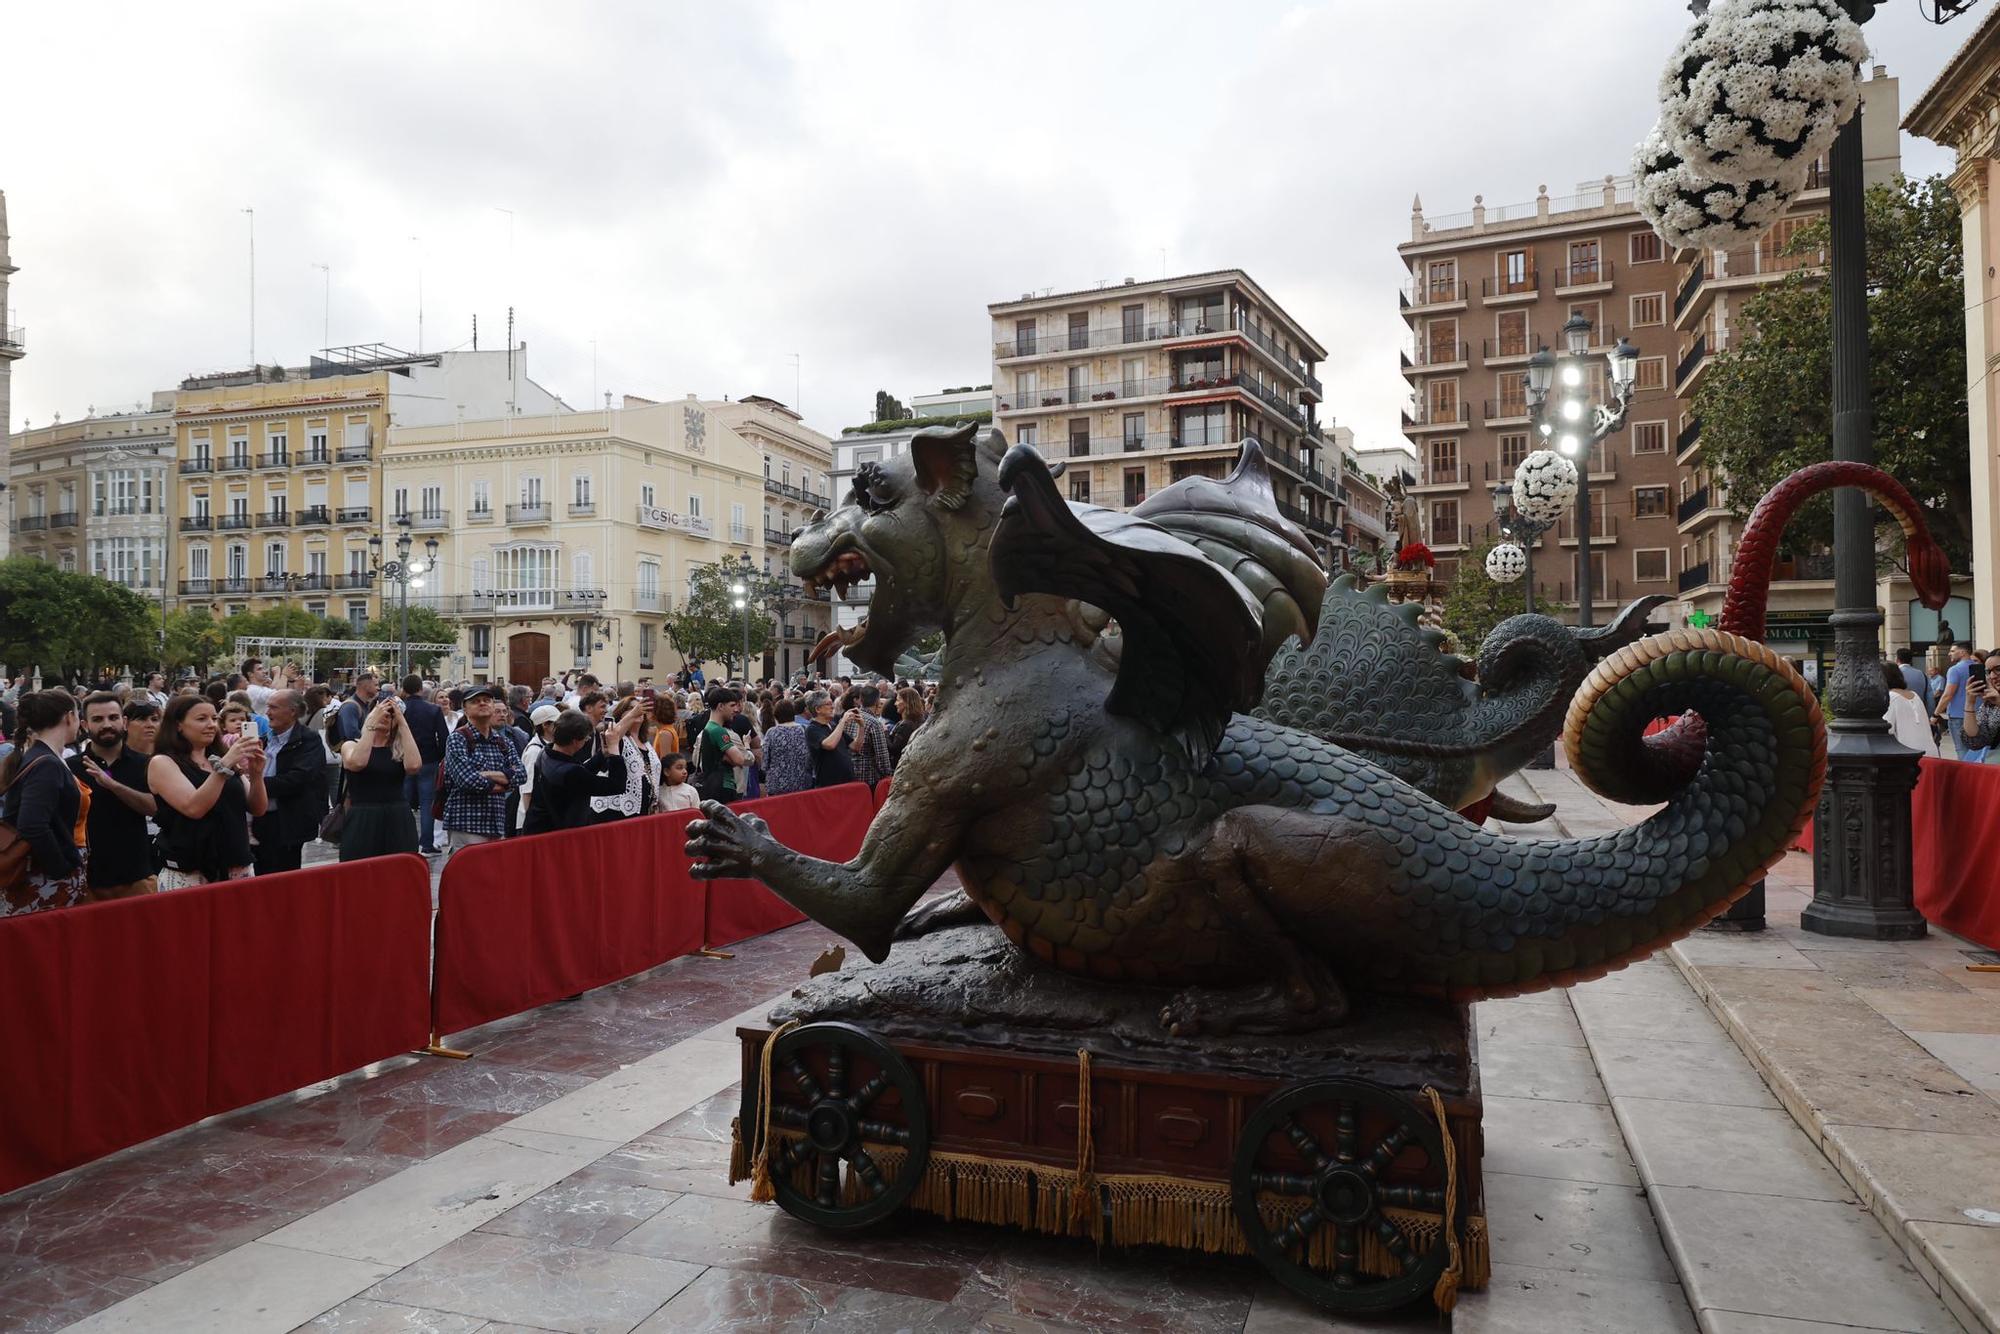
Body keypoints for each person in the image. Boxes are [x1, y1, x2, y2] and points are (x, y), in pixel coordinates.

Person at [149, 695, 266, 888]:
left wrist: (256, 774)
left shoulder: (222, 758)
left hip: (238, 867)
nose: (211, 725)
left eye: (213, 718)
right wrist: (224, 766)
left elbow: (258, 808)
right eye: (201, 719)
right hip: (190, 872)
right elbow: (194, 808)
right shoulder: (162, 762)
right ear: (178, 725)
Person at [1, 691, 87, 915]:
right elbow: (33, 824)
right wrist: (62, 868)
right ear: (69, 717)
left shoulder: (42, 757)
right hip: (42, 881)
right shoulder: (46, 764)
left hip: (42, 878)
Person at [68, 692, 158, 900]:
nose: (107, 724)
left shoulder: (145, 763)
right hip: (87, 881)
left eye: (113, 717)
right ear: (84, 724)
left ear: (124, 721)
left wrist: (113, 786)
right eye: (98, 719)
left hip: (137, 877)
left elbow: (155, 808)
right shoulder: (70, 767)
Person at [523, 707, 646, 833]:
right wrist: (614, 748)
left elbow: (581, 775)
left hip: (542, 828)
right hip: (557, 836)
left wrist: (603, 754)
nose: (587, 740)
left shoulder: (546, 753)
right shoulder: (570, 772)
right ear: (575, 741)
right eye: (586, 738)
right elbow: (616, 786)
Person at [252, 690, 330, 874]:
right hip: (259, 819)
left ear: (293, 711)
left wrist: (256, 785)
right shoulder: (264, 740)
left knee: (282, 876)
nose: (268, 712)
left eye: (274, 707)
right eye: (268, 707)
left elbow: (298, 779)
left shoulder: (307, 740)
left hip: (287, 821)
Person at [441, 685, 525, 852]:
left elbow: (521, 775)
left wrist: (486, 775)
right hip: (466, 823)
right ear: (465, 709)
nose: (482, 703)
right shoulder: (458, 739)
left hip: (496, 822)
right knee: (468, 876)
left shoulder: (503, 742)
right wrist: (505, 781)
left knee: (495, 877)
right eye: (475, 701)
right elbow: (468, 781)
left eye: (487, 700)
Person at [338, 696, 423, 861]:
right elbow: (357, 763)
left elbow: (414, 767)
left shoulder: (398, 749)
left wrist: (402, 722)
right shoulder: (350, 745)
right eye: (381, 711)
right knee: (360, 872)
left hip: (398, 817)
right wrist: (371, 724)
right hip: (363, 818)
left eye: (391, 714)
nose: (386, 716)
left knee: (398, 871)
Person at [398, 674, 451, 855]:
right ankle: (427, 844)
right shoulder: (433, 710)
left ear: (404, 689)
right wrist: (440, 756)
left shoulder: (400, 710)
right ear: (421, 689)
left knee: (403, 801)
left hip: (403, 759)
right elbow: (444, 737)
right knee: (427, 802)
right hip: (428, 759)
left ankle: (403, 841)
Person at [591, 696, 659, 822]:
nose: (638, 711)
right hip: (618, 810)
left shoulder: (646, 742)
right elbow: (613, 735)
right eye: (631, 709)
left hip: (643, 809)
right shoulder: (619, 738)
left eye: (639, 708)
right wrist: (633, 715)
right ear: (621, 715)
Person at [695, 686, 754, 804]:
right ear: (720, 706)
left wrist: (727, 758)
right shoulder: (718, 731)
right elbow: (740, 759)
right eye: (732, 705)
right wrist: (745, 746)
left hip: (714, 786)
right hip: (722, 787)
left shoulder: (709, 728)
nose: (736, 710)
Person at [517, 703, 563, 830]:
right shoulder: (534, 752)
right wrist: (532, 823)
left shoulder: (549, 746)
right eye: (557, 723)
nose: (562, 726)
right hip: (533, 823)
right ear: (545, 725)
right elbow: (528, 791)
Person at [801, 690, 859, 789]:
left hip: (847, 780)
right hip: (829, 784)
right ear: (818, 709)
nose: (832, 707)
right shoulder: (812, 729)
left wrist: (861, 727)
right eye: (828, 704)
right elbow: (830, 745)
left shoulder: (833, 725)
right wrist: (843, 722)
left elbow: (855, 746)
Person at [1881, 662, 1940, 758]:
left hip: (1906, 756)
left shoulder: (1890, 697)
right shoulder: (1914, 695)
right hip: (1929, 753)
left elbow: (1887, 729)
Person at [760, 699, 814, 796]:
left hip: (777, 784)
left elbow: (764, 761)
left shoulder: (772, 733)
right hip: (801, 783)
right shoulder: (805, 730)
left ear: (776, 714)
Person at [1934, 642, 1977, 759]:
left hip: (1958, 716)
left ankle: (1967, 775)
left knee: (1962, 749)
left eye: (1952, 651)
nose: (1949, 654)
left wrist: (1935, 714)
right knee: (1977, 749)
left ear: (1962, 652)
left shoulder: (1954, 670)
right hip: (1977, 714)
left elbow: (1948, 694)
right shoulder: (1978, 667)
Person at [1959, 654, 2000, 761]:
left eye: (1998, 669)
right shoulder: (1990, 703)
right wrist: (1970, 702)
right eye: (1988, 672)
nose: (1993, 676)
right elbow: (1975, 741)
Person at [852, 686, 894, 785]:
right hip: (867, 777)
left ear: (860, 700)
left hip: (849, 773)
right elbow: (882, 755)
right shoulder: (874, 723)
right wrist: (888, 775)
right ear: (877, 701)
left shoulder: (849, 716)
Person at [333, 671, 382, 747]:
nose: (378, 688)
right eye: (375, 685)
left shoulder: (364, 705)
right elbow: (352, 735)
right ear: (366, 686)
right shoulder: (350, 707)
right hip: (354, 753)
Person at [888, 687, 927, 767]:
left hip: (900, 765)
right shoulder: (921, 720)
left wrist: (884, 733)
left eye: (898, 700)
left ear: (907, 702)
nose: (895, 703)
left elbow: (894, 749)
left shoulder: (906, 725)